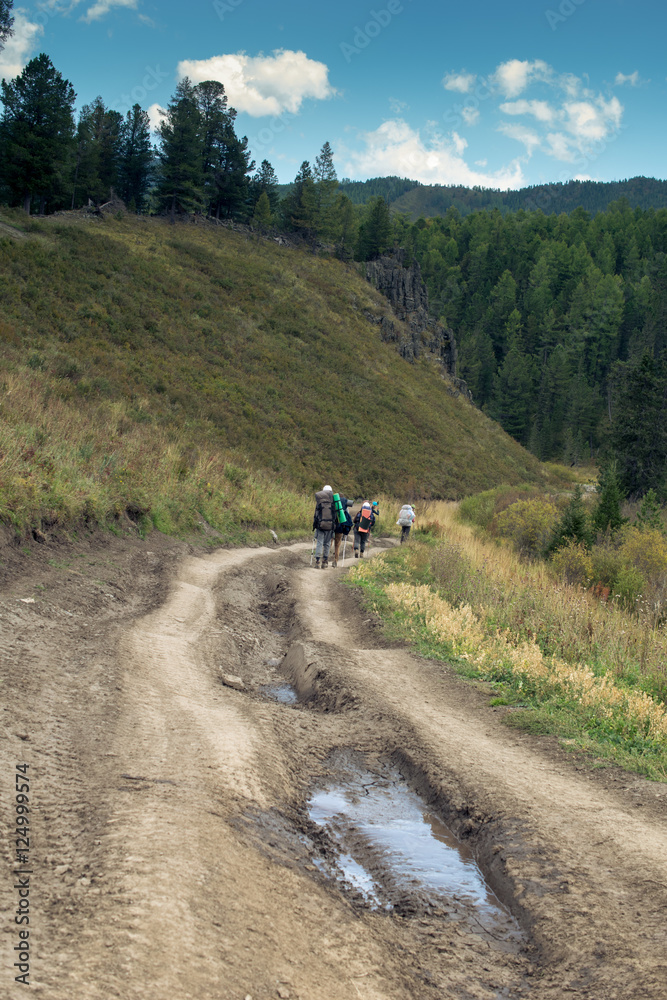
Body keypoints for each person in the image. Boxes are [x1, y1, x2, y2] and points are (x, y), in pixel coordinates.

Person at [312, 485, 335, 568]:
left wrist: (315, 525)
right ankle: (325, 561)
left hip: (320, 526)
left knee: (320, 542)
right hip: (330, 526)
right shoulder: (334, 501)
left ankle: (317, 561)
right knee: (327, 543)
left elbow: (316, 515)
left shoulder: (319, 502)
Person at [332, 494, 354, 567]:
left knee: (329, 543)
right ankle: (335, 560)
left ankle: (325, 558)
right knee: (337, 545)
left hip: (332, 527)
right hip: (340, 528)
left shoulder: (334, 503)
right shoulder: (345, 509)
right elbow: (349, 522)